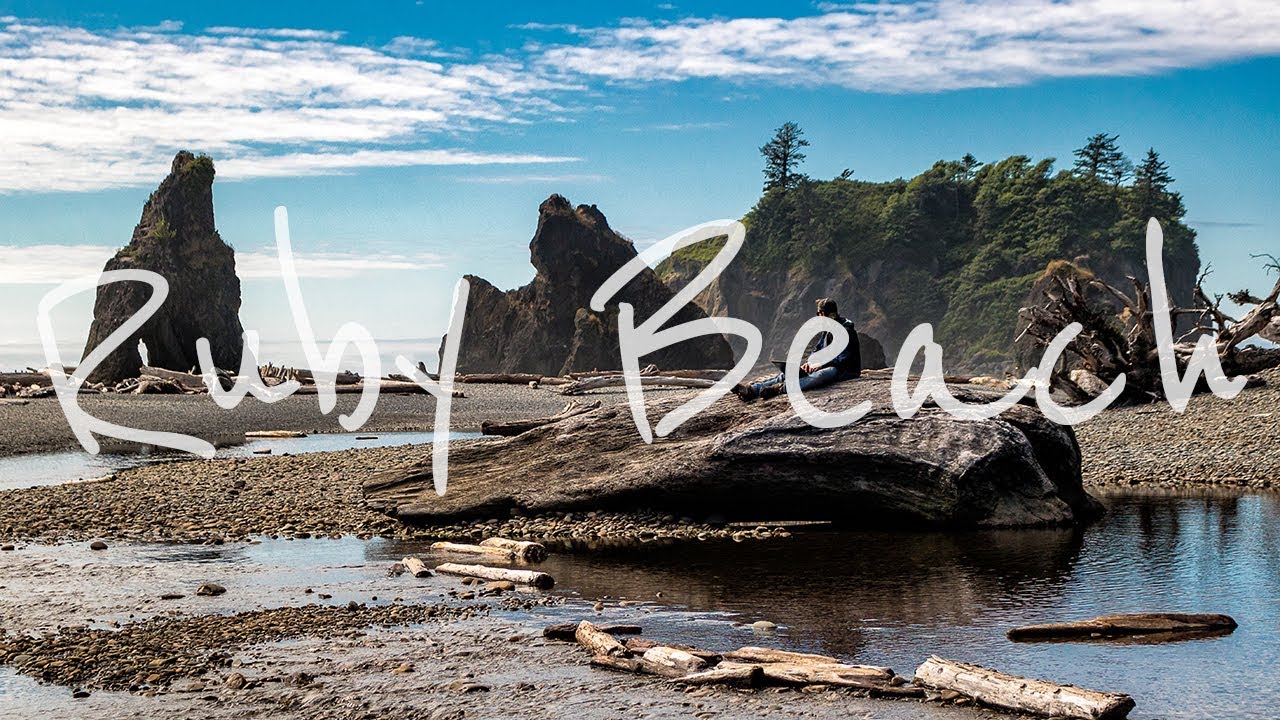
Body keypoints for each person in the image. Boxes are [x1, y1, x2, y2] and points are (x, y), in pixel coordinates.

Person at [732, 297, 861, 402]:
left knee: (823, 374)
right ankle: (752, 390)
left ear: (822, 314)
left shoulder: (846, 332)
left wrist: (821, 365)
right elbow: (818, 350)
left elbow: (844, 360)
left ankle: (780, 389)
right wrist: (810, 364)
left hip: (844, 371)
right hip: (827, 365)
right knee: (791, 372)